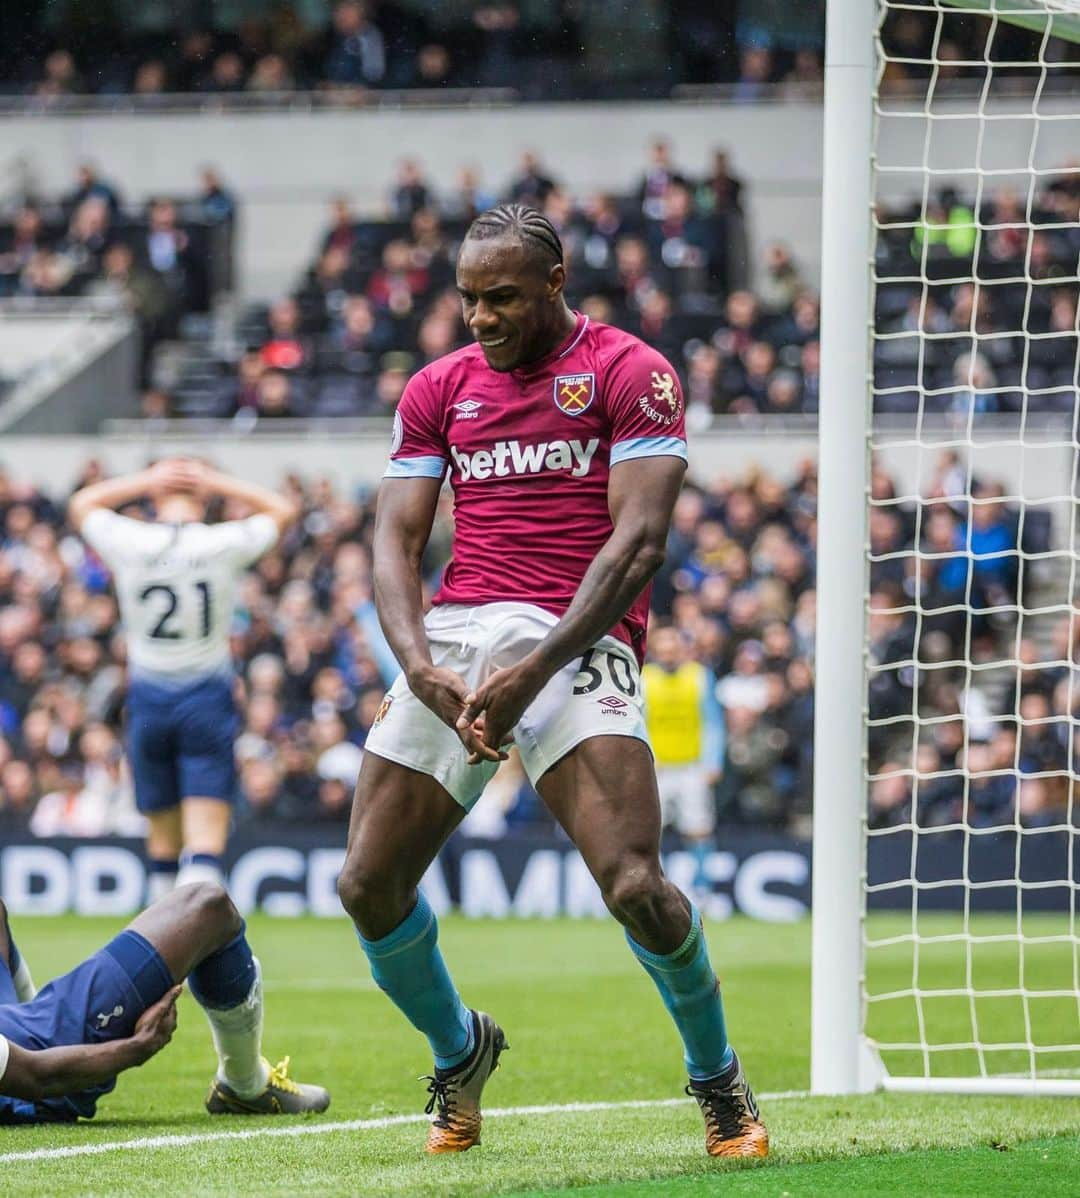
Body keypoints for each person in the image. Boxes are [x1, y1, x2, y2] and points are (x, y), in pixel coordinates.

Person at [337, 203, 767, 1160]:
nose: (480, 318)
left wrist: (539, 666)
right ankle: (461, 1052)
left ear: (556, 284)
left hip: (578, 634)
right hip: (458, 636)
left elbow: (640, 542)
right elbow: (394, 539)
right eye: (466, 299)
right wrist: (419, 666)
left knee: (634, 884)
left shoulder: (630, 372)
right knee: (367, 882)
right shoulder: (438, 387)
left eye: (501, 299)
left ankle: (718, 1079)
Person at [68, 460, 299, 897]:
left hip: (148, 696)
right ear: (204, 497)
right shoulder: (221, 542)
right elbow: (283, 509)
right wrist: (217, 481)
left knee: (161, 850)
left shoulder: (130, 539)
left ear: (155, 496)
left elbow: (82, 503)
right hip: (206, 696)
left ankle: (160, 956)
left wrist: (144, 479)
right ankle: (208, 952)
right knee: (204, 849)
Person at [0, 882, 328, 1122]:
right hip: (37, 1075)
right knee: (208, 907)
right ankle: (245, 1085)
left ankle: (33, 1017)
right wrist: (136, 1049)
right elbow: (36, 1076)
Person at [642, 626, 724, 859]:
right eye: (663, 649)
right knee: (650, 831)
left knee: (699, 830)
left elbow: (713, 721)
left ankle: (702, 886)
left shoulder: (699, 675)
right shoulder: (644, 679)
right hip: (659, 769)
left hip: (692, 766)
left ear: (681, 649)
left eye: (672, 648)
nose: (668, 653)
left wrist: (713, 762)